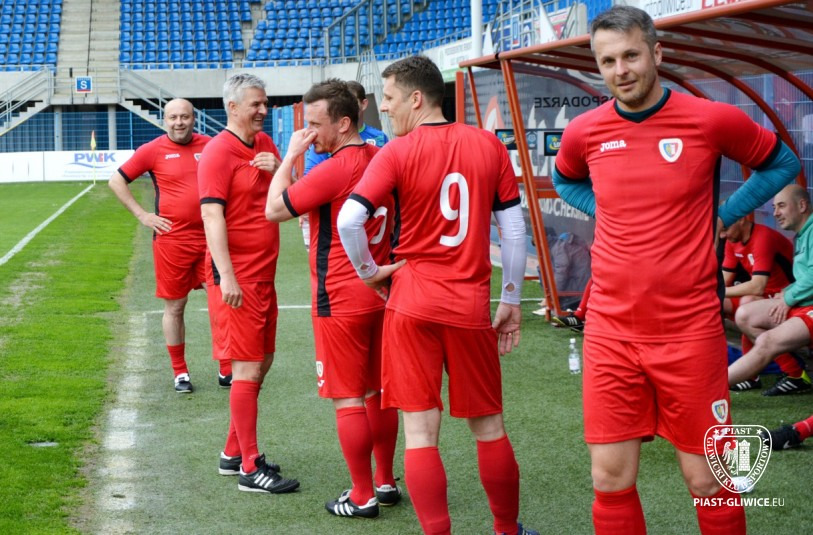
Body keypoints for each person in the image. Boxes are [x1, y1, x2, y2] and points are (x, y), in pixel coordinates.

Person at [552, 6, 800, 534]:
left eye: (631, 56)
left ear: (656, 53)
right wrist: (604, 210)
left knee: (709, 480)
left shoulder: (709, 119)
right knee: (610, 479)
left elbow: (782, 163)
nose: (621, 70)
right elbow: (564, 179)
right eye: (608, 61)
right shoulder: (585, 131)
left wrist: (724, 215)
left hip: (689, 332)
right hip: (611, 333)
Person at [337, 56, 537, 535]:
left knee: (421, 433)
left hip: (411, 303)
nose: (384, 108)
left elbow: (348, 220)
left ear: (416, 98)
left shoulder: (396, 152)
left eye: (388, 98)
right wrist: (510, 299)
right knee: (489, 427)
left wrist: (370, 272)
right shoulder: (489, 145)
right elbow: (514, 233)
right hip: (469, 306)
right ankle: (506, 529)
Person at [265, 79, 400, 518]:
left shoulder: (334, 168)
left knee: (347, 397)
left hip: (340, 295)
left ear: (344, 123)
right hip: (382, 292)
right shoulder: (382, 158)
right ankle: (385, 480)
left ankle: (362, 495)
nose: (310, 133)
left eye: (316, 123)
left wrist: (290, 156)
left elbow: (274, 209)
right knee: (379, 392)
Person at [198, 73, 300, 494]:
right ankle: (249, 467)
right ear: (233, 107)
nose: (263, 109)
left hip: (264, 274)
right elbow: (211, 215)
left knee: (263, 361)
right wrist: (226, 275)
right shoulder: (217, 152)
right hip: (237, 277)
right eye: (256, 104)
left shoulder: (265, 145)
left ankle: (231, 452)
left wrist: (280, 171)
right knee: (247, 367)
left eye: (265, 102)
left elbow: (288, 200)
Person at [109, 98, 225, 394]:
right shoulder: (152, 150)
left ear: (193, 119)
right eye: (173, 117)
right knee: (175, 306)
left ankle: (226, 367)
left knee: (222, 301)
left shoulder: (212, 145)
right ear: (165, 120)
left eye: (184, 117)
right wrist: (142, 215)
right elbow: (116, 181)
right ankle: (180, 372)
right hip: (172, 241)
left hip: (211, 240)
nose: (179, 122)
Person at [728, 185, 813, 394]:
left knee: (766, 339)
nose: (775, 213)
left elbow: (758, 286)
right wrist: (788, 293)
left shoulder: (766, 236)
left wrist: (788, 296)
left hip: (800, 303)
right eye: (774, 207)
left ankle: (709, 386)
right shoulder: (802, 234)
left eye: (781, 206)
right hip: (796, 301)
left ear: (802, 205)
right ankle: (793, 375)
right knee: (745, 314)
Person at [298, 81, 389, 249]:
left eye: (352, 101)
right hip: (335, 216)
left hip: (369, 216)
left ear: (363, 104)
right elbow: (309, 180)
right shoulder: (325, 140)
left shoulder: (379, 137)